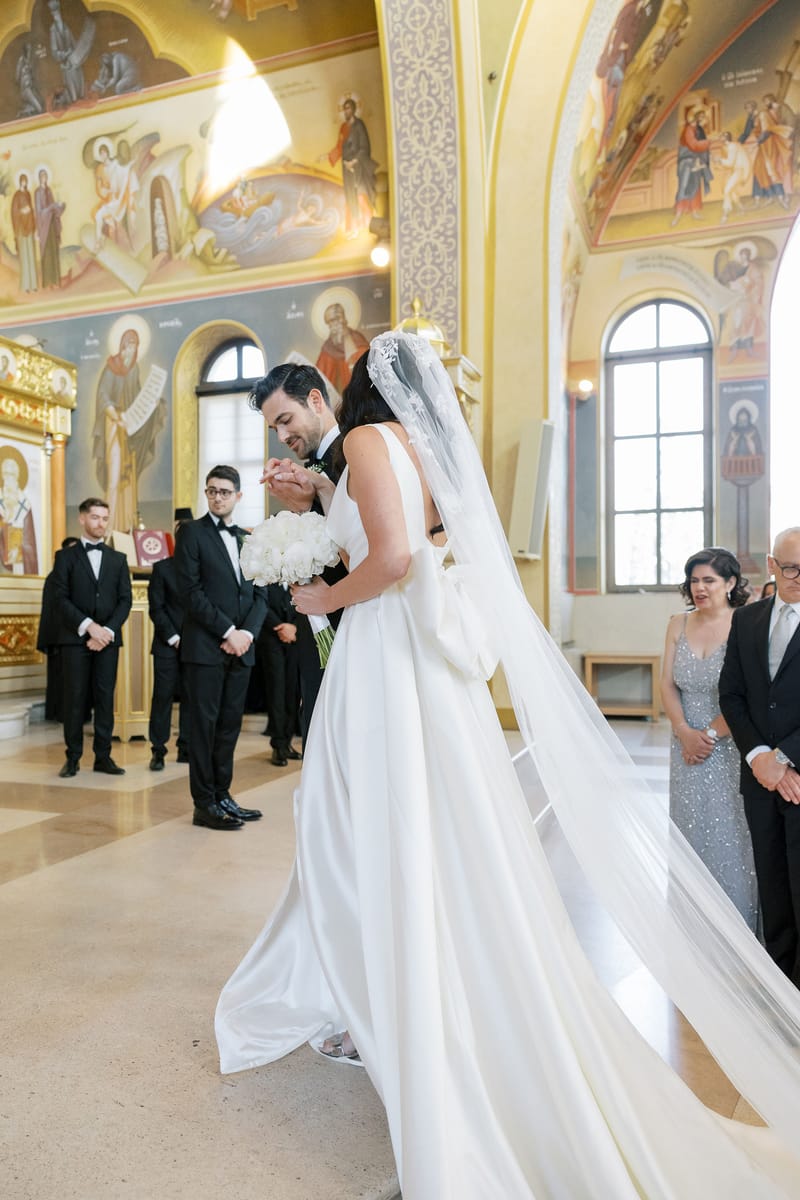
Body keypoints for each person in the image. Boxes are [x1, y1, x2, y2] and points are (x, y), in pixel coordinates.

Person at [217, 335, 800, 1197]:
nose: (284, 434)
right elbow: (404, 528)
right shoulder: (404, 452)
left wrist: (319, 598)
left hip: (385, 659)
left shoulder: (372, 444)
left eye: (283, 416)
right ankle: (386, 991)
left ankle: (385, 999)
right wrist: (323, 492)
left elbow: (393, 560)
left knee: (365, 827)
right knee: (409, 827)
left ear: (336, 389)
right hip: (408, 662)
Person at [249, 363, 347, 744]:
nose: (282, 435)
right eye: (275, 428)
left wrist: (307, 509)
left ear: (316, 399)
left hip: (346, 624)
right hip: (318, 628)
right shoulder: (316, 466)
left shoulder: (352, 455)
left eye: (286, 420)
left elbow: (361, 543)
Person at [661, 547, 758, 929]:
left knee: (733, 836)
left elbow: (749, 693)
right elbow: (668, 685)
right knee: (690, 829)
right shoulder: (676, 624)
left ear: (730, 583)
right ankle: (692, 926)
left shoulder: (746, 623)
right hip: (685, 745)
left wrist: (710, 735)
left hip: (730, 743)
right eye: (694, 580)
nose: (699, 588)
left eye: (709, 580)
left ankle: (736, 927)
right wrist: (684, 731)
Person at [720, 527, 800, 980]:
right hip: (759, 777)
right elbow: (731, 695)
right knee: (771, 880)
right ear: (771, 565)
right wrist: (759, 757)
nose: (799, 578)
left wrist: (784, 758)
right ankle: (782, 986)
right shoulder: (747, 620)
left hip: (797, 772)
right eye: (790, 568)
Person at [174, 466, 267, 830]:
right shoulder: (192, 535)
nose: (217, 497)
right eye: (211, 491)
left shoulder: (248, 539)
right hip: (206, 649)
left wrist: (247, 634)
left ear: (238, 496)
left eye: (224, 492)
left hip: (242, 647)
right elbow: (191, 593)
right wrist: (228, 631)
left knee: (229, 727)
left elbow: (261, 591)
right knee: (204, 727)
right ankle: (204, 804)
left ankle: (223, 794)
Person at [51, 498, 131, 778]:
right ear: (82, 519)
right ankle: (72, 757)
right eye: (95, 517)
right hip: (76, 639)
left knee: (105, 698)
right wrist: (88, 627)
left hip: (107, 640)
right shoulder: (65, 557)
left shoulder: (118, 559)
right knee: (74, 699)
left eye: (105, 518)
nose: (101, 523)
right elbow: (59, 598)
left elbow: (125, 601)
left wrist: (106, 631)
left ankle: (103, 757)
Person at [92, 328, 164, 534]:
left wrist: (153, 404)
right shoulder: (111, 367)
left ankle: (126, 527)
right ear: (122, 346)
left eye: (135, 345)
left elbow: (138, 398)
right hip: (114, 425)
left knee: (129, 479)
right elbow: (103, 396)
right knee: (114, 475)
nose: (131, 350)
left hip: (130, 429)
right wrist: (116, 416)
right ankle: (109, 527)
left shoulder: (134, 370)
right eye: (128, 345)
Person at [147, 522, 191, 771]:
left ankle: (185, 747)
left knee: (191, 697)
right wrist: (174, 637)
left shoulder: (201, 568)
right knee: (162, 697)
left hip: (196, 645)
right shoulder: (162, 568)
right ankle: (158, 750)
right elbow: (157, 607)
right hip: (167, 644)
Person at [37, 536, 80, 721]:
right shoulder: (55, 577)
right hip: (59, 636)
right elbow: (53, 609)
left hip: (74, 634)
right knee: (61, 678)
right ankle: (60, 713)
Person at [257, 583, 300, 767]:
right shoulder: (267, 573)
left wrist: (295, 627)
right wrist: (280, 626)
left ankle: (288, 742)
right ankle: (278, 745)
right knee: (276, 691)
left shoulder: (300, 572)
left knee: (293, 691)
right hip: (271, 639)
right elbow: (260, 603)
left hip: (296, 638)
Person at [322, 97, 377, 238]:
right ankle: (354, 228)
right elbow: (340, 147)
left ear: (353, 109)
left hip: (359, 167)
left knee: (360, 195)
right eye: (344, 109)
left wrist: (354, 161)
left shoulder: (359, 125)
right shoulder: (343, 128)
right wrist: (327, 156)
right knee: (350, 197)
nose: (346, 111)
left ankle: (371, 224)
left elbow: (365, 147)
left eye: (348, 108)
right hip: (347, 169)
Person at [315, 302, 369, 394]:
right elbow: (320, 378)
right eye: (330, 322)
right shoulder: (328, 347)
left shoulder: (357, 340)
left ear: (342, 319)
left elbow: (364, 370)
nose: (334, 325)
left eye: (336, 320)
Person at [671, 107, 713, 226]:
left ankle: (694, 212)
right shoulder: (689, 129)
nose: (706, 120)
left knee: (695, 186)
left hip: (695, 160)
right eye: (703, 117)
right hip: (687, 161)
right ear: (697, 118)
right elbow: (693, 145)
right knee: (684, 186)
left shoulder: (699, 130)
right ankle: (678, 214)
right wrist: (707, 143)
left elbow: (700, 147)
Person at [0, 452, 38, 575]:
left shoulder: (25, 504)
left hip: (18, 565)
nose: (8, 478)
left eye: (11, 474)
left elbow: (30, 543)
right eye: (5, 473)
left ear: (17, 476)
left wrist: (19, 550)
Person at [34, 169, 64, 289]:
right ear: (39, 178)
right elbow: (39, 211)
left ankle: (55, 281)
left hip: (51, 226)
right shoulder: (37, 192)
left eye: (45, 176)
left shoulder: (49, 190)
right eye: (42, 176)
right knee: (46, 255)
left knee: (54, 253)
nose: (44, 178)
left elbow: (53, 208)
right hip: (44, 228)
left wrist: (59, 206)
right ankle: (47, 283)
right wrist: (52, 207)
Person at [11, 174, 38, 293]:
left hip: (30, 228)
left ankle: (33, 284)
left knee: (31, 257)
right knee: (25, 258)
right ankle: (26, 286)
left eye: (25, 181)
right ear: (19, 182)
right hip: (22, 230)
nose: (24, 182)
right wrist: (22, 211)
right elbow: (14, 212)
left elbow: (32, 210)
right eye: (22, 181)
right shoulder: (17, 196)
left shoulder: (28, 194)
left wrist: (31, 215)